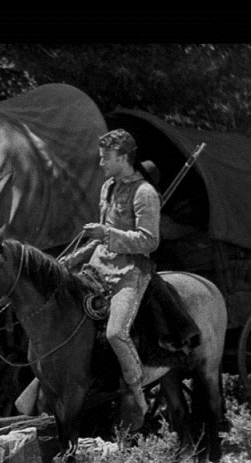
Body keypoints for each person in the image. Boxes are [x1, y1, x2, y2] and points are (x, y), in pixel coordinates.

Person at [60, 129, 161, 431]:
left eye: (106, 157)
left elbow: (150, 240)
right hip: (97, 268)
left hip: (130, 271)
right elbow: (101, 239)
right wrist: (74, 258)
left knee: (116, 332)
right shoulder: (107, 187)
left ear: (123, 158)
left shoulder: (145, 193)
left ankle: (137, 394)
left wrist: (107, 233)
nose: (101, 162)